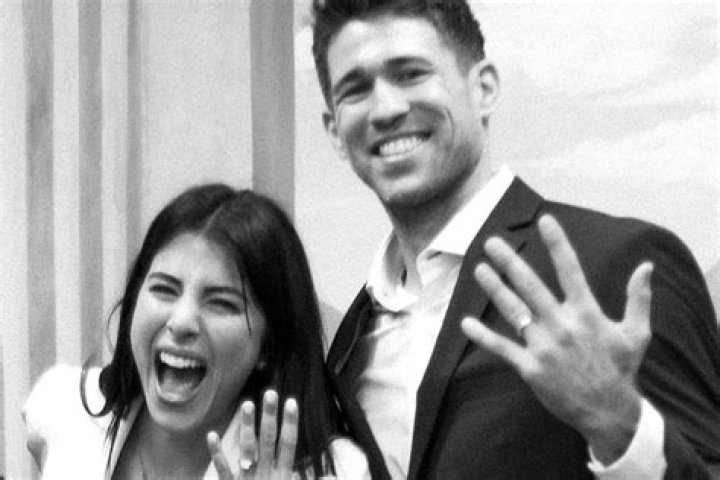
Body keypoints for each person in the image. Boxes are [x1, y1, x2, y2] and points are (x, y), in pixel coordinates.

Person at [310, 0, 720, 478]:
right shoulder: (350, 342)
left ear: (483, 88)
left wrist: (621, 428)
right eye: (356, 90)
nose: (386, 108)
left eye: (411, 74)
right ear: (333, 131)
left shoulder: (614, 266)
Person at [23, 184, 369, 479]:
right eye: (164, 289)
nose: (182, 322)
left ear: (268, 347)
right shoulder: (61, 406)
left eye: (221, 303)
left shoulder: (338, 472)